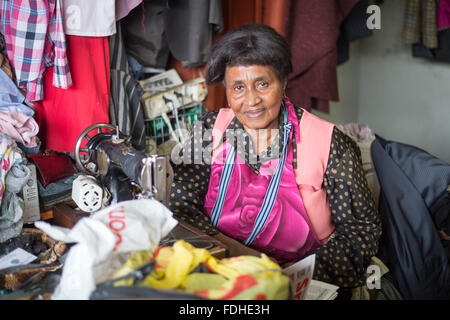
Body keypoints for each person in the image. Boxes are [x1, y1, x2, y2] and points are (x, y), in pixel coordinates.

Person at [168, 24, 381, 289]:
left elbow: (360, 232)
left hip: (299, 280)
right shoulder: (208, 130)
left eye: (262, 84)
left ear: (283, 83)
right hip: (220, 268)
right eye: (238, 88)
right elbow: (181, 206)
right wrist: (234, 259)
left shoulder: (330, 144)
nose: (251, 100)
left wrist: (287, 280)